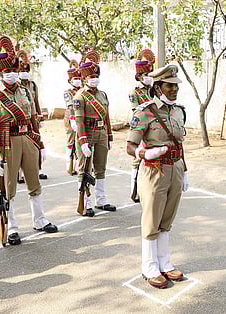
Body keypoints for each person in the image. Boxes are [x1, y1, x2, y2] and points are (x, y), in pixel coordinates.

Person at [0, 36, 57, 245]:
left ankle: (40, 219)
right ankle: (13, 227)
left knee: (34, 182)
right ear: (1, 73)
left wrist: (41, 144)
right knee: (9, 187)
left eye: (14, 71)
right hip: (9, 142)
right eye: (7, 72)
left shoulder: (26, 91)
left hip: (28, 138)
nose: (12, 75)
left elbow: (33, 119)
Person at [126, 64, 188, 289]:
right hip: (154, 171)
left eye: (176, 86)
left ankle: (165, 262)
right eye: (169, 86)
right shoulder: (145, 112)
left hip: (176, 169)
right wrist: (144, 153)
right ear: (159, 87)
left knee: (167, 219)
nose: (174, 90)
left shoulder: (178, 111)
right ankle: (149, 265)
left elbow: (178, 144)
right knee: (152, 219)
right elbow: (130, 146)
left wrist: (185, 170)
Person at [74, 50, 116, 217]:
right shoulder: (80, 97)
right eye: (91, 76)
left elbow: (107, 117)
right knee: (85, 169)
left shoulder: (102, 94)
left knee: (100, 168)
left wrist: (110, 136)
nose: (94, 78)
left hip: (101, 133)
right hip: (88, 133)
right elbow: (79, 121)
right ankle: (86, 203)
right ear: (84, 78)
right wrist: (83, 141)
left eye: (96, 75)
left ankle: (101, 199)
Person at [17, 50, 48, 181]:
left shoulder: (32, 85)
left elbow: (36, 101)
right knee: (21, 147)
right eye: (22, 69)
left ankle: (37, 169)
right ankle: (20, 173)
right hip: (19, 120)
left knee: (35, 143)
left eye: (27, 69)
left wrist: (39, 117)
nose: (25, 72)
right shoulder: (16, 85)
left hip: (32, 119)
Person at [128, 49, 155, 202]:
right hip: (141, 127)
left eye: (150, 75)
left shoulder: (155, 90)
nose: (149, 78)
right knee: (138, 159)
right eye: (146, 75)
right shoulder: (135, 92)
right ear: (139, 76)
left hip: (155, 128)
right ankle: (135, 190)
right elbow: (136, 111)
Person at [63, 59, 82, 175]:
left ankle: (81, 165)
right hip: (70, 118)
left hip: (81, 118)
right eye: (75, 79)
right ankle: (69, 166)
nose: (78, 81)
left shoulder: (83, 91)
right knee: (71, 142)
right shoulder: (67, 92)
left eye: (79, 79)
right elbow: (70, 106)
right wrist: (73, 120)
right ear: (70, 80)